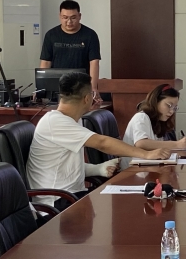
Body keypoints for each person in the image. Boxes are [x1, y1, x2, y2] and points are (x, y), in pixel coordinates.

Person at [27, 72, 170, 210]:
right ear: (86, 98)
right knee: (127, 206)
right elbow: (101, 142)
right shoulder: (55, 122)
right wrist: (146, 154)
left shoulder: (72, 120)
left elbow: (65, 168)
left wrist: (98, 168)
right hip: (57, 201)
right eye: (92, 94)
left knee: (132, 202)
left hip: (72, 196)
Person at [40, 0, 102, 104]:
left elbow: (94, 62)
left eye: (73, 18)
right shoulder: (51, 35)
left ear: (79, 16)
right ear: (60, 16)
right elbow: (45, 62)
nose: (69, 22)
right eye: (65, 17)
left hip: (81, 87)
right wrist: (41, 88)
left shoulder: (90, 35)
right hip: (57, 87)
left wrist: (93, 88)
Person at [121, 84, 186, 169]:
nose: (171, 111)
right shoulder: (141, 117)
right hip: (131, 170)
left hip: (148, 167)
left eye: (174, 108)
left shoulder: (160, 121)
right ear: (156, 101)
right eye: (169, 105)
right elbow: (141, 143)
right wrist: (176, 144)